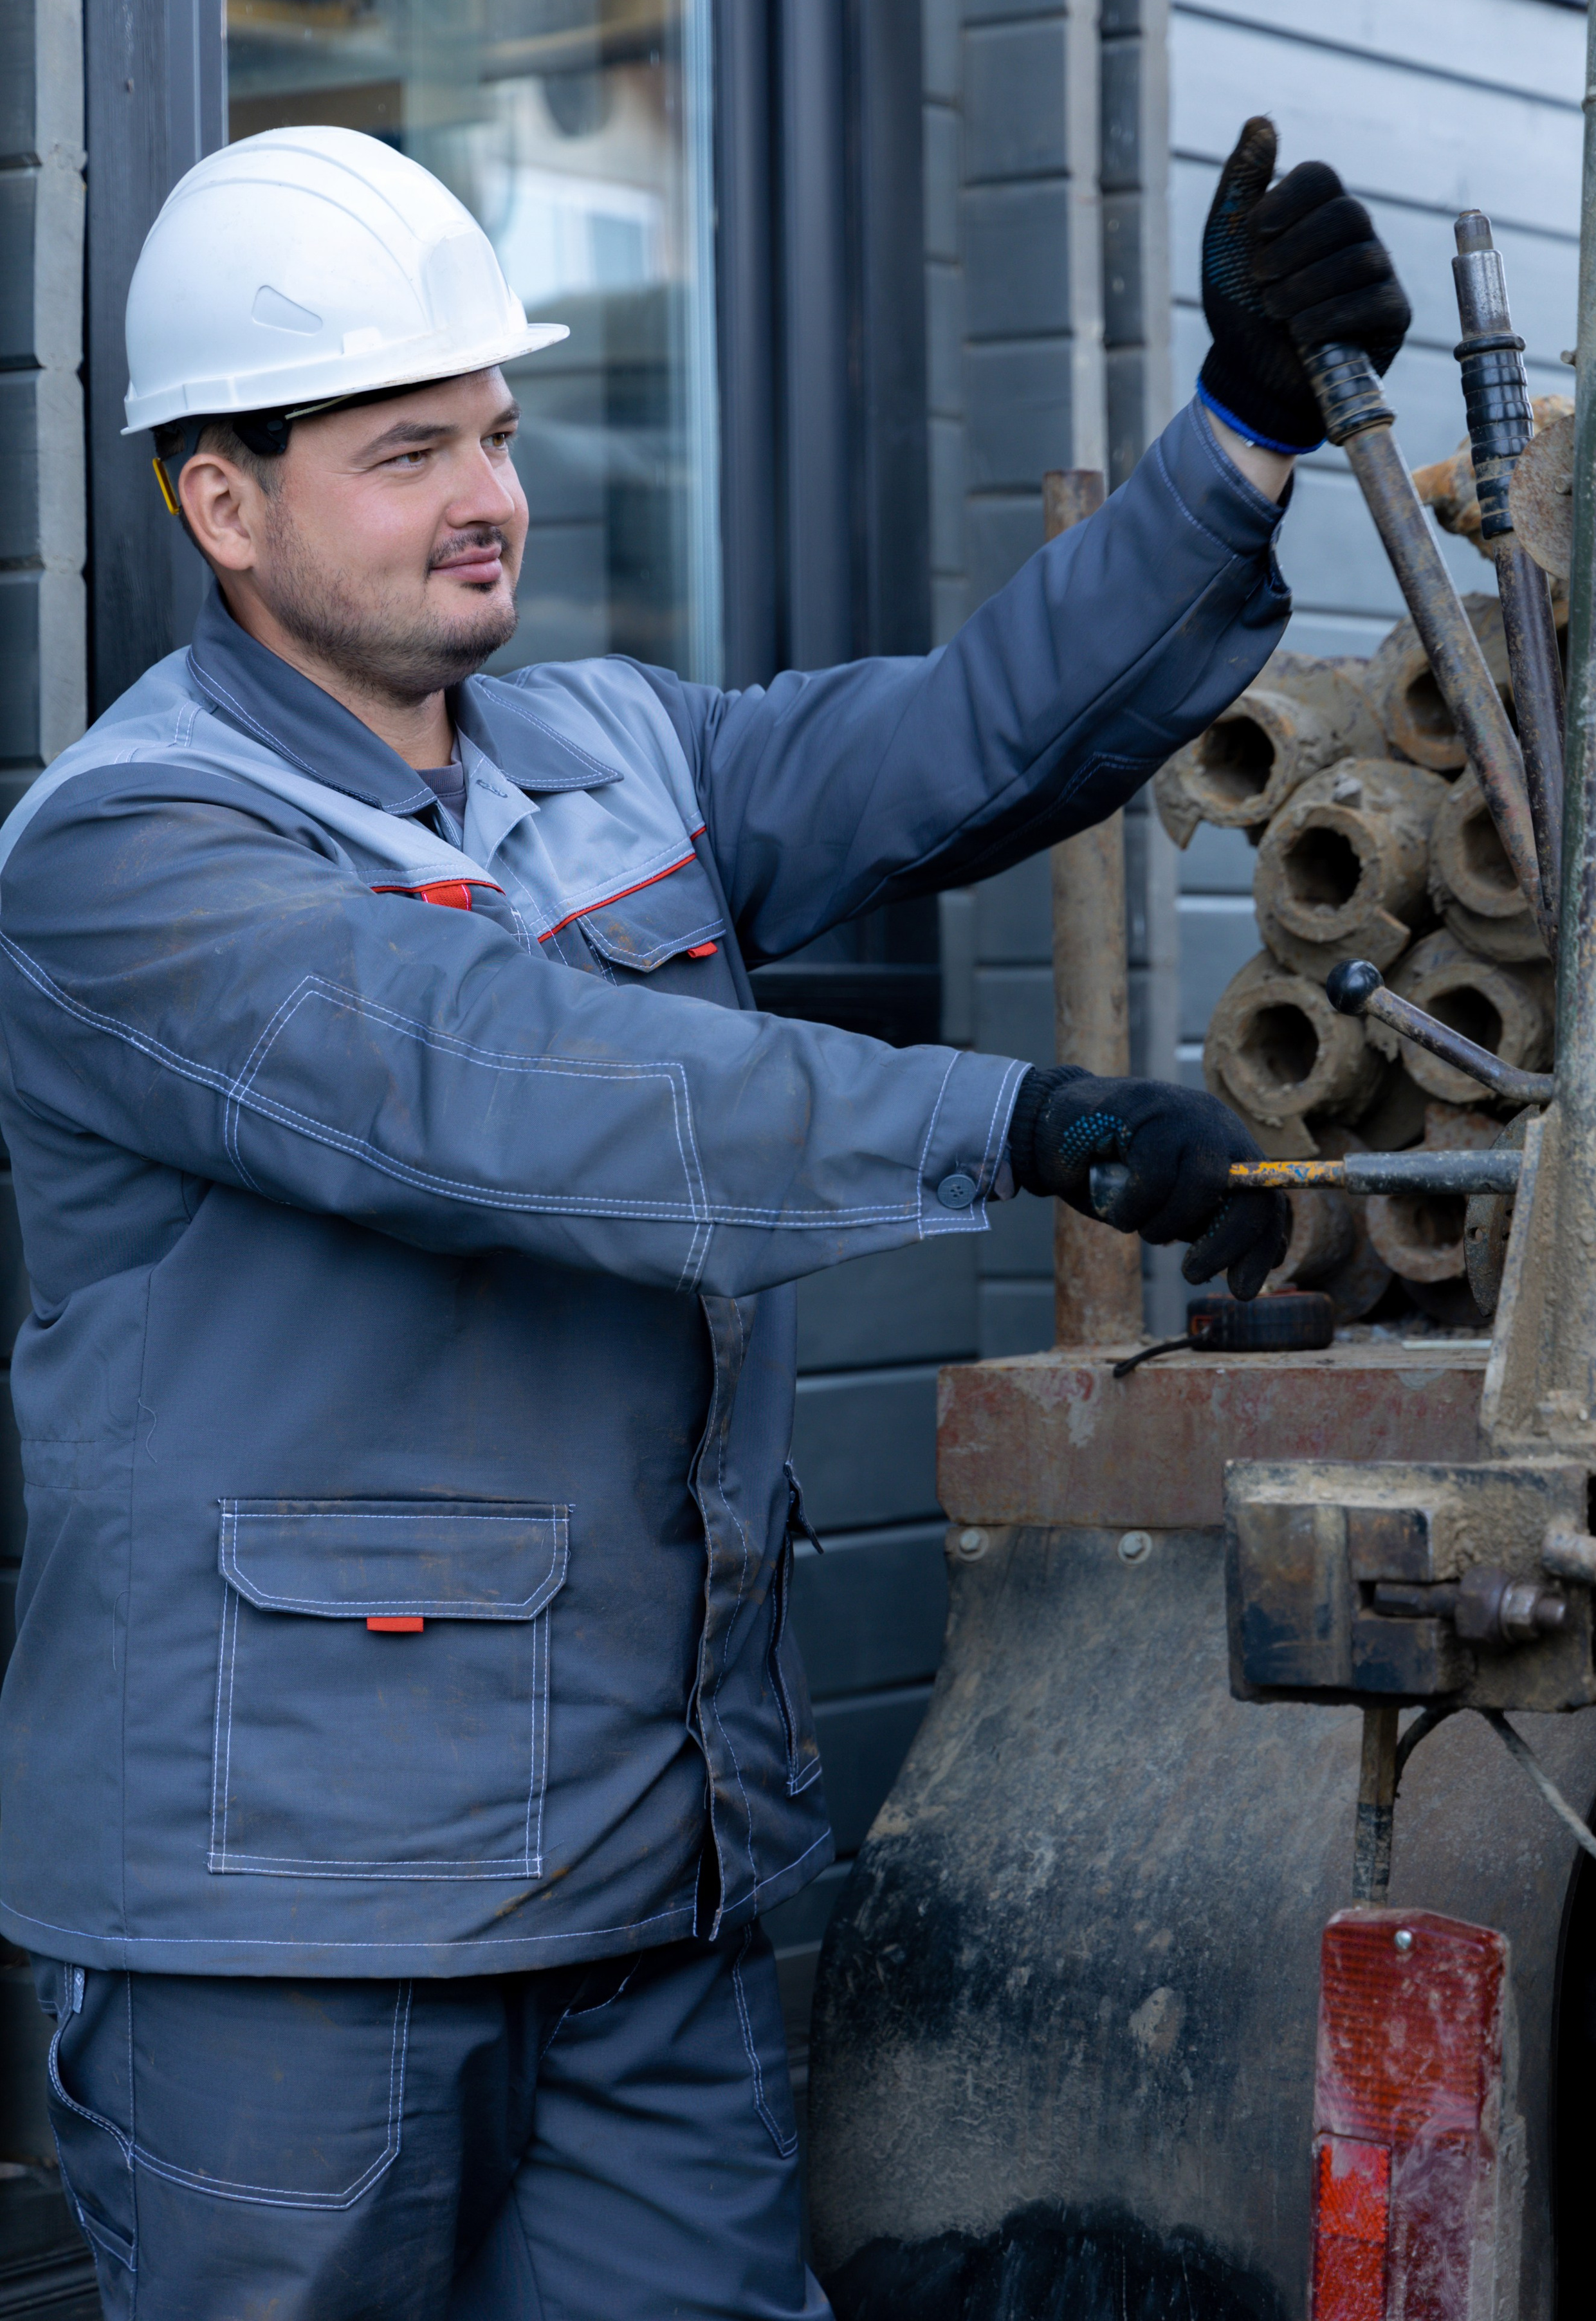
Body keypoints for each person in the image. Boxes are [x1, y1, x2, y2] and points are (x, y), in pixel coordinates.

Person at [0, 113, 1406, 2319]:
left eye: (495, 431)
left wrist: (1234, 430)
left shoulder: (606, 752)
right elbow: (518, 1094)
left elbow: (963, 744)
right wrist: (1012, 1117)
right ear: (223, 505)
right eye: (402, 451)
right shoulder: (135, 856)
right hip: (295, 1921)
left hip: (650, 1889)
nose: (491, 497)